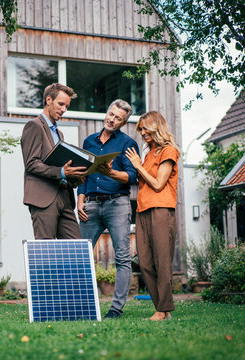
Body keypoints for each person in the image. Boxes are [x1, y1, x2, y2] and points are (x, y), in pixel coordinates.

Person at [77, 99, 139, 319]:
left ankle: (116, 308)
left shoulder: (127, 143)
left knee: (122, 258)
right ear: (107, 112)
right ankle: (82, 304)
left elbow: (132, 176)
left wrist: (111, 173)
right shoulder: (89, 141)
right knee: (80, 256)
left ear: (123, 123)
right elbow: (83, 173)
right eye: (111, 114)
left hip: (118, 204)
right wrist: (80, 200)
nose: (112, 119)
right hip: (90, 204)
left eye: (118, 118)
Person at [125, 110, 180, 321]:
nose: (142, 133)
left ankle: (163, 309)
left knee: (161, 261)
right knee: (145, 262)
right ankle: (161, 309)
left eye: (145, 128)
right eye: (141, 130)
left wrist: (138, 166)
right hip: (142, 211)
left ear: (156, 126)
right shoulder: (149, 154)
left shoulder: (168, 151)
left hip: (161, 210)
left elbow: (158, 184)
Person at [21, 83, 86, 239]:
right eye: (61, 104)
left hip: (64, 196)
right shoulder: (34, 126)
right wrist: (62, 172)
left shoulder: (59, 133)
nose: (64, 110)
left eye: (67, 106)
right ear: (48, 100)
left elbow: (57, 164)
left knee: (76, 249)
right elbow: (31, 164)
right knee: (46, 250)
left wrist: (75, 175)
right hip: (43, 198)